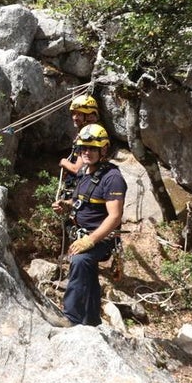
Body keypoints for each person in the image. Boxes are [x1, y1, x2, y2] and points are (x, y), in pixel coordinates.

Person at [52, 124, 125, 326]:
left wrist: (91, 240)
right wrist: (65, 205)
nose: (87, 152)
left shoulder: (113, 179)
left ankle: (71, 316)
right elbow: (80, 201)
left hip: (102, 238)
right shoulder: (85, 171)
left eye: (93, 148)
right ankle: (92, 320)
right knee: (88, 270)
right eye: (84, 148)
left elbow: (114, 216)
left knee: (80, 260)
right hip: (83, 234)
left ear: (103, 150)